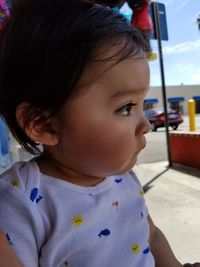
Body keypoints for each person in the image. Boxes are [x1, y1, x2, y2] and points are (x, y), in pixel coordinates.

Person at [0, 0, 199, 266]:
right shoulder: (20, 201)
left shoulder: (124, 179)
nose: (147, 125)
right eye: (126, 107)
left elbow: (149, 235)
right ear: (43, 124)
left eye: (141, 105)